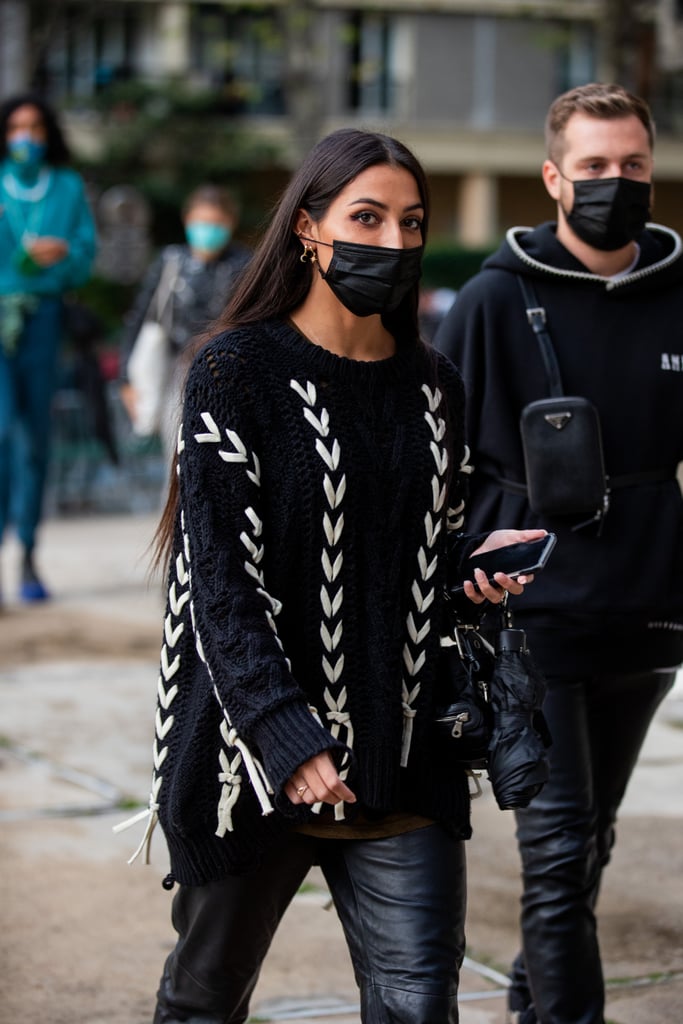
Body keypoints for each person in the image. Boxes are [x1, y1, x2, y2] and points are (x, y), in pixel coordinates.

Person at [118, 127, 546, 1024]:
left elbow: (411, 556)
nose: (391, 242)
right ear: (308, 229)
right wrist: (285, 737)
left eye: (411, 221)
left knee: (417, 1007)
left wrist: (473, 572)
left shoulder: (435, 385)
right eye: (365, 217)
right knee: (204, 1001)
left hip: (403, 757)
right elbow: (219, 587)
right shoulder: (232, 371)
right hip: (254, 766)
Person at [434, 82, 683, 1024]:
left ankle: (531, 999)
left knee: (590, 841)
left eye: (631, 167)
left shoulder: (675, 294)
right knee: (557, 849)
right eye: (591, 168)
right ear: (551, 177)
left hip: (646, 606)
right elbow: (437, 455)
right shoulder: (494, 300)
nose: (612, 183)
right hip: (531, 616)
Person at [0, 92, 96, 603]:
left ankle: (30, 553)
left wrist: (61, 255)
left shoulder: (66, 186)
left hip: (45, 318)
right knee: (2, 427)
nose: (26, 137)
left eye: (35, 127)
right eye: (17, 127)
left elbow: (85, 255)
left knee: (35, 438)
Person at [119, 184, 251, 459]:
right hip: (176, 373)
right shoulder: (170, 262)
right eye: (201, 222)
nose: (207, 230)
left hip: (229, 376)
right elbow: (140, 317)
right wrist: (126, 380)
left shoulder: (246, 265)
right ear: (187, 220)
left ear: (231, 223)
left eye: (216, 223)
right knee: (178, 456)